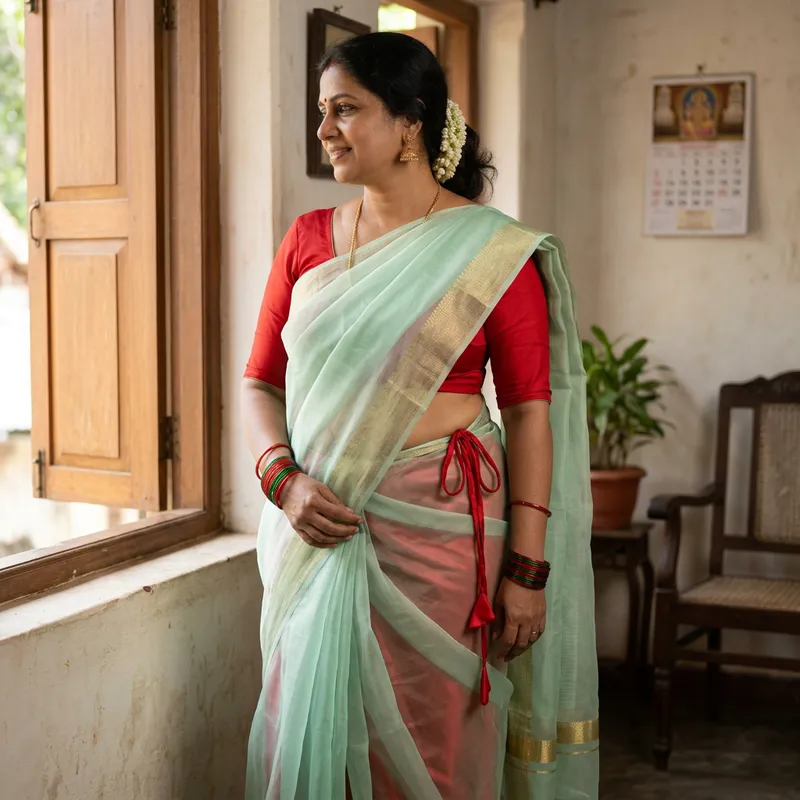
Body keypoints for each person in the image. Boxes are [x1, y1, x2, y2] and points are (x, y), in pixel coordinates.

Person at [242, 32, 597, 800]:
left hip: (445, 542)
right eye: (320, 111)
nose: (325, 129)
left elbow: (532, 413)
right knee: (313, 730)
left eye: (346, 110)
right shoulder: (307, 241)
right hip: (318, 533)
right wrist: (285, 483)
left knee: (438, 739)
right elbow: (258, 383)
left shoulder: (491, 251)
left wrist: (528, 572)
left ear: (410, 122)